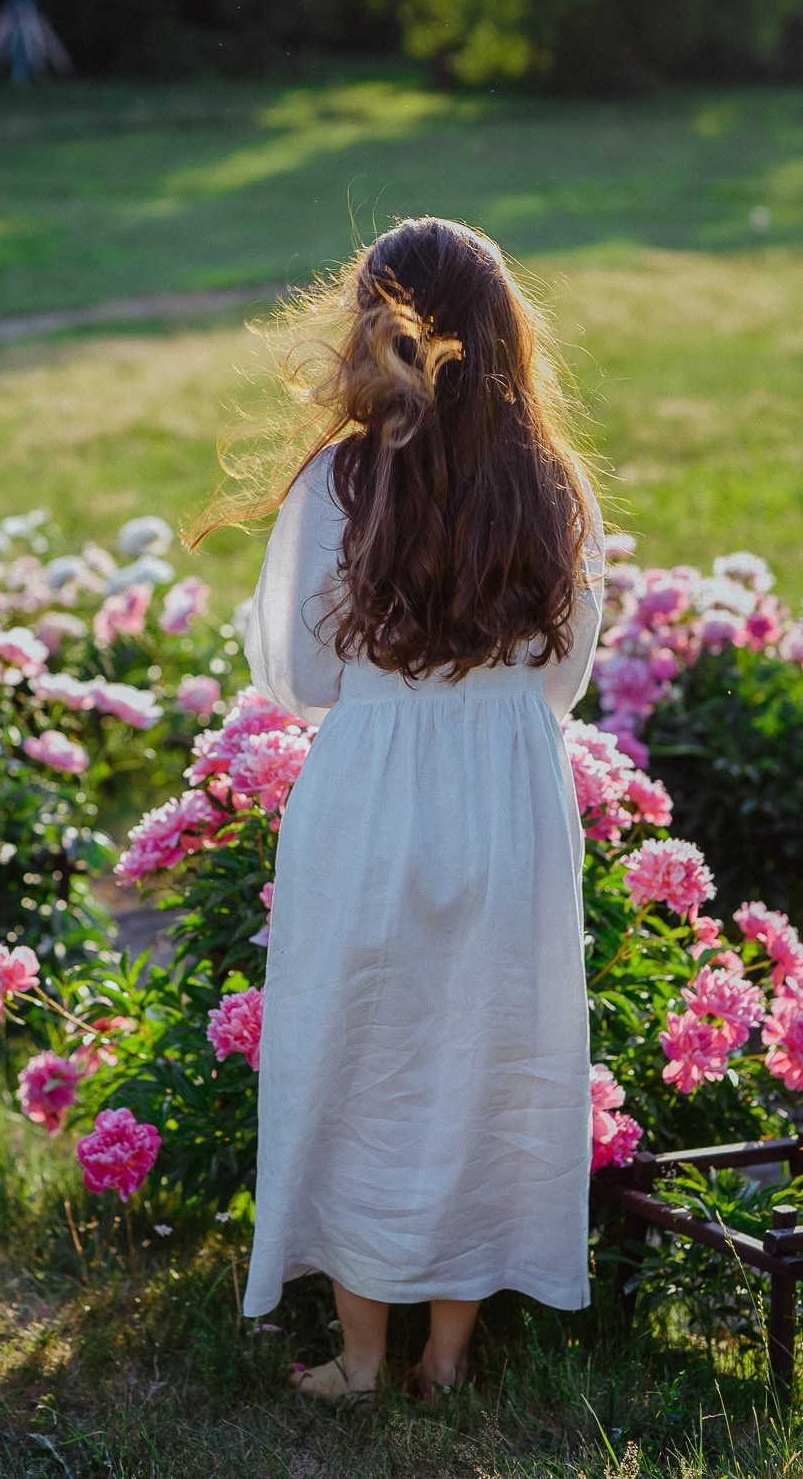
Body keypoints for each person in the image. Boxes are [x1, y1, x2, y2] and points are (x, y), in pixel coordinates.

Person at [192, 216, 608, 1405]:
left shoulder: (342, 475)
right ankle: (446, 1354)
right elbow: (564, 673)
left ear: (375, 329)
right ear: (503, 336)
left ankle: (364, 1355)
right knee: (483, 1055)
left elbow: (300, 683)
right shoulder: (553, 482)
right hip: (508, 793)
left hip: (373, 789)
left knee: (362, 1053)